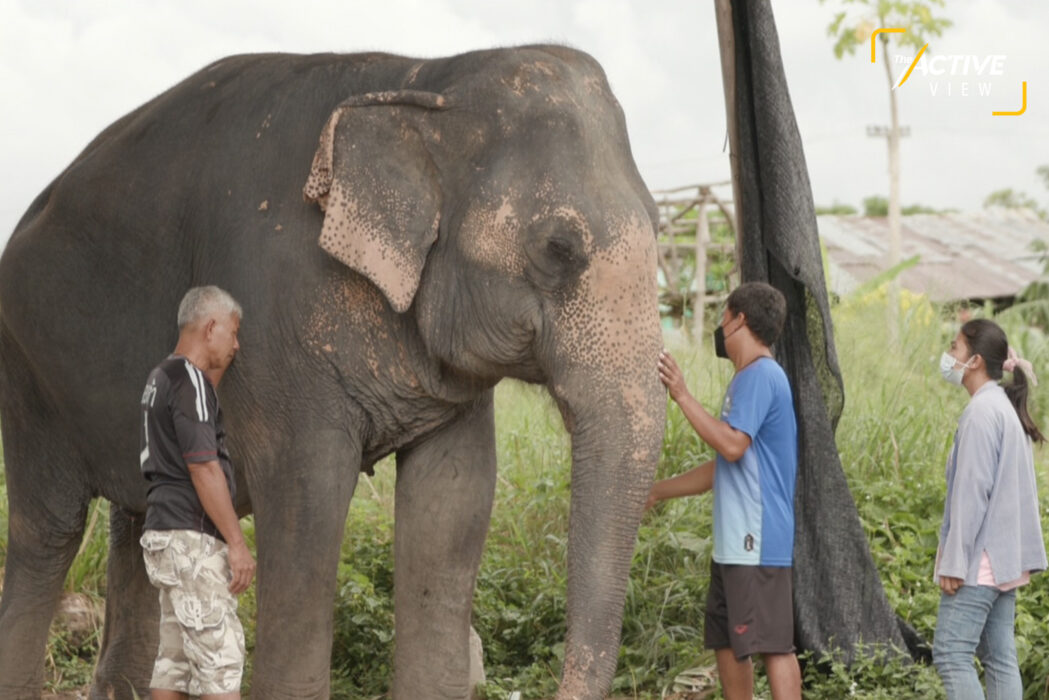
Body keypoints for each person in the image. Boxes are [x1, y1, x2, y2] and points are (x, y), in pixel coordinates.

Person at [647, 281, 801, 700]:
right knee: (728, 640)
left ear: (739, 320)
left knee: (772, 644)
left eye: (722, 319)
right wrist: (658, 490)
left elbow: (732, 446)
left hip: (757, 539)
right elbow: (725, 468)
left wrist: (681, 395)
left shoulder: (759, 375)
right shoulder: (746, 379)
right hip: (734, 544)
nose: (720, 328)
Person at [139, 286, 256, 700]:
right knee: (220, 665)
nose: (237, 344)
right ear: (210, 327)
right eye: (233, 332)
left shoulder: (163, 377)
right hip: (192, 541)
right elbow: (203, 467)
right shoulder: (191, 383)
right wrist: (237, 544)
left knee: (174, 664)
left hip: (166, 535)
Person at [932, 318, 1046, 699]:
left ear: (975, 360)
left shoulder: (982, 413)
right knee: (1000, 658)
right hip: (1004, 560)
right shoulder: (1002, 409)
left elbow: (971, 493)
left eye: (954, 348)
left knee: (950, 654)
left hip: (980, 563)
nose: (949, 356)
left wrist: (953, 561)